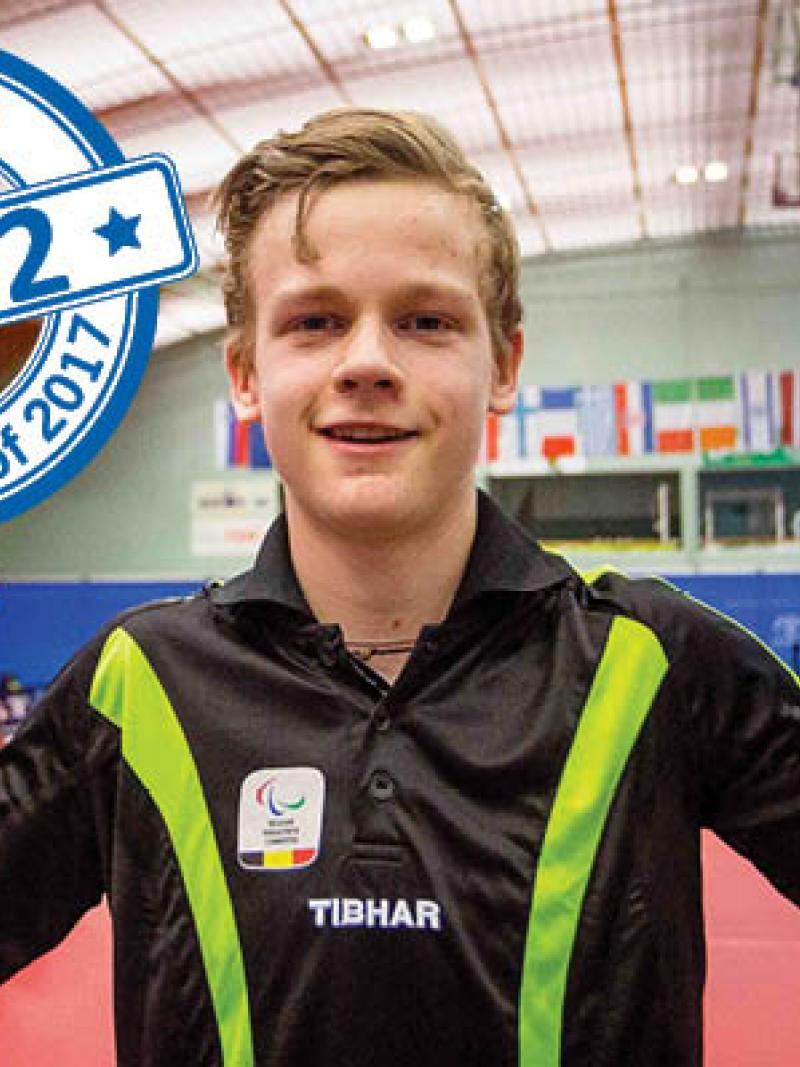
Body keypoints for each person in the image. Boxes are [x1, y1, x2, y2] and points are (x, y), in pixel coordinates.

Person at [0, 108, 798, 1067]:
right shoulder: (139, 684)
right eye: (314, 321)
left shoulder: (657, 662)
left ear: (501, 363)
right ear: (246, 372)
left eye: (425, 320)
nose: (367, 362)